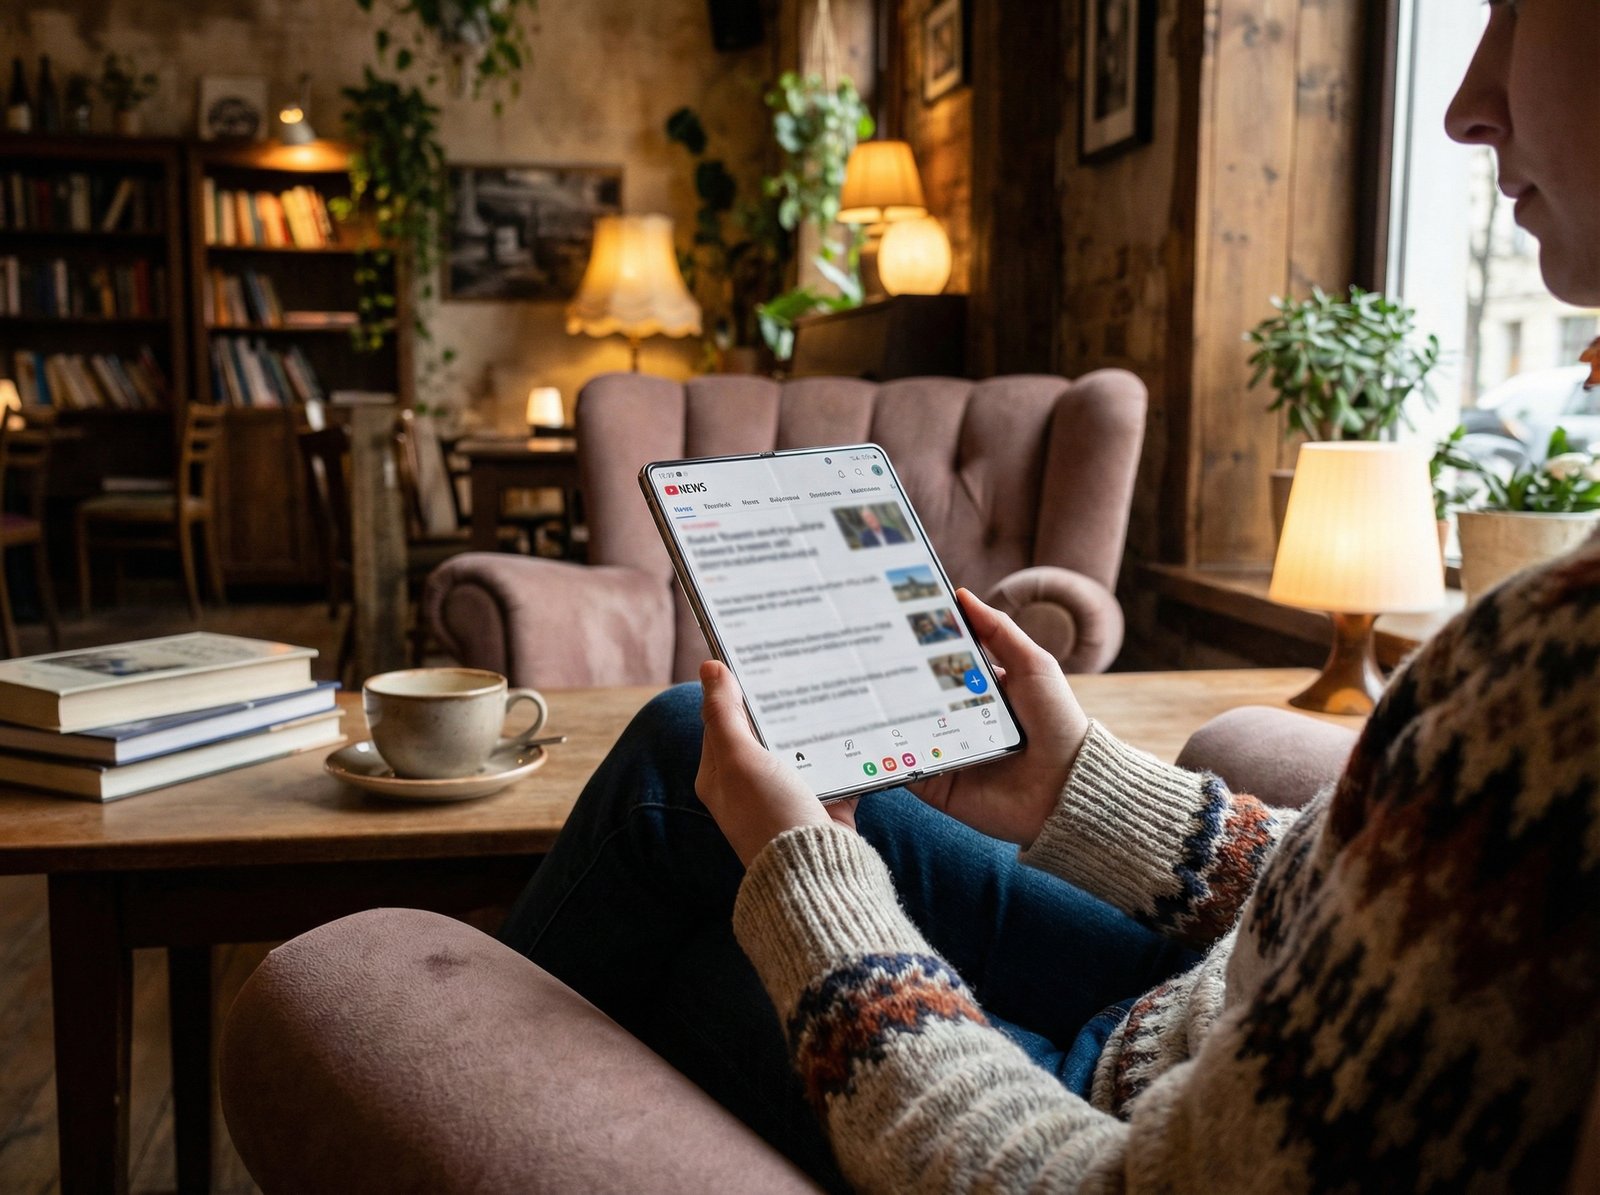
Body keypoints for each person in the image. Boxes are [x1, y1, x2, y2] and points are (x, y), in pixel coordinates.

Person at [500, 3, 1599, 1190]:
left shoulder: (1562, 668)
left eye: (1521, 11)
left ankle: (440, 1050)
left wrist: (808, 877)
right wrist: (1080, 783)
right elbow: (1406, 908)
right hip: (1198, 1023)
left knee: (678, 931)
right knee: (683, 744)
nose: (1462, 101)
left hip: (1107, 1121)